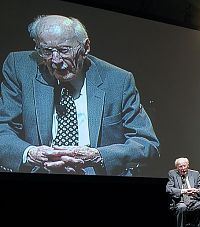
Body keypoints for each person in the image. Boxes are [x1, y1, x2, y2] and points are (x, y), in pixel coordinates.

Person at [0, 15, 159, 176]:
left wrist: (98, 156)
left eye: (64, 50)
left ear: (86, 47)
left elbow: (146, 144)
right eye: (47, 51)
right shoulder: (19, 67)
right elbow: (2, 129)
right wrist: (30, 154)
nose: (56, 60)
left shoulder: (118, 80)